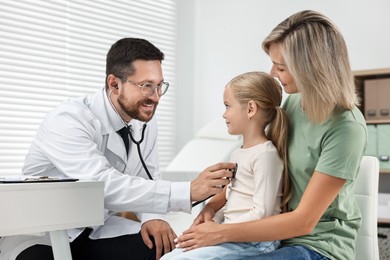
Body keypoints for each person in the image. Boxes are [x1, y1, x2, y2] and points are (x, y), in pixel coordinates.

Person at [0, 38, 235, 260]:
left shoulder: (144, 120)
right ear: (114, 84)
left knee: (161, 247)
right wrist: (188, 191)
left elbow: (148, 175)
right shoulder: (68, 120)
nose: (155, 97)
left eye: (159, 86)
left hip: (95, 228)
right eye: (146, 86)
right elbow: (100, 185)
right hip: (44, 232)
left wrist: (152, 216)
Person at [173, 10, 367, 260]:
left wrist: (219, 234)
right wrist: (212, 206)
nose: (272, 73)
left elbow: (304, 222)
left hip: (316, 246)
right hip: (269, 237)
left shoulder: (346, 128)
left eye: (281, 67)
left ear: (311, 68)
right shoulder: (293, 105)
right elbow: (252, 178)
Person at [161, 71, 291, 260]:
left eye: (227, 106)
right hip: (233, 235)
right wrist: (211, 220)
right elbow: (231, 199)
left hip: (256, 240)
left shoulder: (266, 155)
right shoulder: (238, 153)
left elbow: (262, 213)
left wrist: (218, 230)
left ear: (250, 109)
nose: (224, 114)